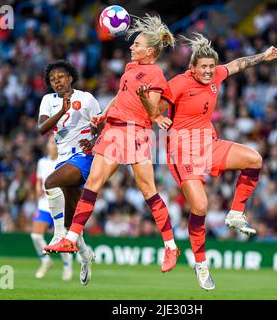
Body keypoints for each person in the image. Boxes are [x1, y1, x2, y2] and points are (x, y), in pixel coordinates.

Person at [138, 33, 277, 290]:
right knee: (201, 207)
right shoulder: (179, 84)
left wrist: (263, 55)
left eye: (210, 66)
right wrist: (152, 115)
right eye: (202, 67)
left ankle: (235, 214)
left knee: (254, 159)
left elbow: (239, 64)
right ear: (192, 67)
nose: (207, 71)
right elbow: (154, 108)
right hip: (183, 152)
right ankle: (201, 263)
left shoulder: (216, 75)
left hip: (209, 143)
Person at [45, 15, 180, 273]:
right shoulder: (130, 69)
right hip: (114, 131)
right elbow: (120, 95)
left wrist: (145, 100)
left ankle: (171, 246)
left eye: (137, 45)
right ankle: (70, 239)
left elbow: (152, 113)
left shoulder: (156, 74)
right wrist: (104, 114)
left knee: (149, 192)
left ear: (149, 51)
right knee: (92, 184)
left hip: (137, 133)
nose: (131, 47)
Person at [37, 60, 102, 285]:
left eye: (61, 77)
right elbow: (42, 129)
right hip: (64, 160)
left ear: (70, 78)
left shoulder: (86, 99)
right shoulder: (48, 101)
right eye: (53, 80)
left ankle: (57, 235)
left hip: (84, 157)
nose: (57, 82)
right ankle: (86, 257)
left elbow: (102, 126)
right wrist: (62, 112)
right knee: (72, 223)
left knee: (50, 183)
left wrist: (93, 140)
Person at [30, 135, 73, 281]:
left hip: (60, 205)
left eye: (56, 143)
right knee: (35, 235)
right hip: (43, 204)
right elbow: (39, 181)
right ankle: (46, 261)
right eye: (51, 143)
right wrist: (37, 190)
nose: (54, 146)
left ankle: (67, 268)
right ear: (47, 146)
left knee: (62, 239)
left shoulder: (64, 161)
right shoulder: (42, 162)